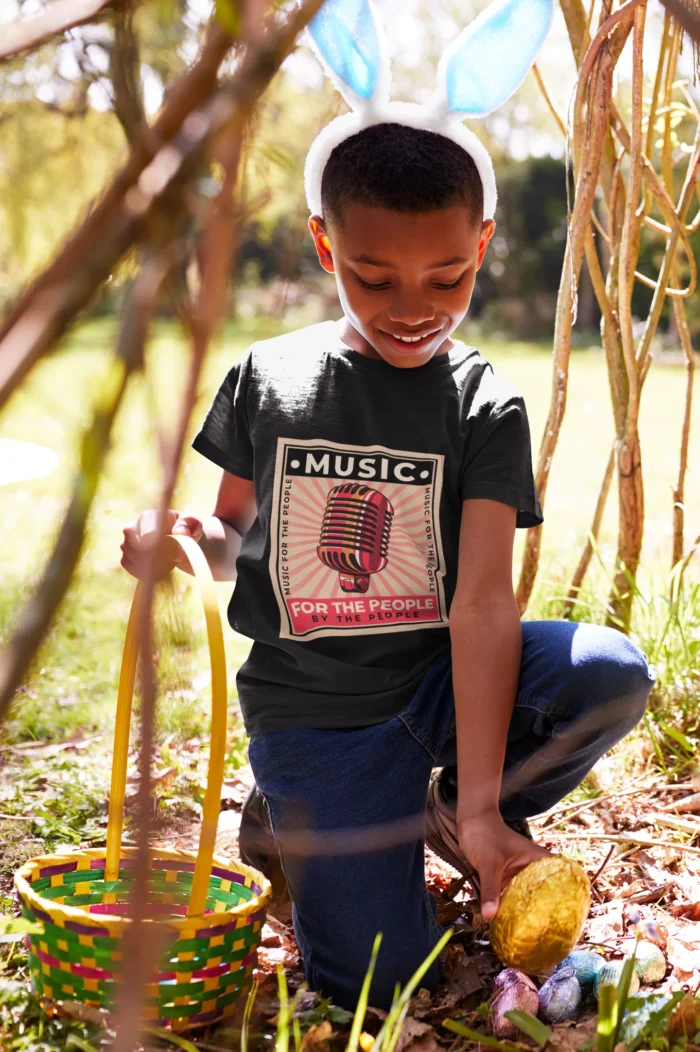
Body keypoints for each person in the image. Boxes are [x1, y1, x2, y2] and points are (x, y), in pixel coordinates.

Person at [120, 0, 655, 1012]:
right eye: (375, 276)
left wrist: (492, 802)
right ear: (325, 247)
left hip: (433, 689)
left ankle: (453, 814)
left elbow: (484, 604)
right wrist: (190, 540)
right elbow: (233, 534)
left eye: (446, 275)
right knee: (380, 980)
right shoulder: (267, 377)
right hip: (316, 714)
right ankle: (285, 821)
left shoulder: (481, 400)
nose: (414, 303)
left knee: (607, 671)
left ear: (484, 242)